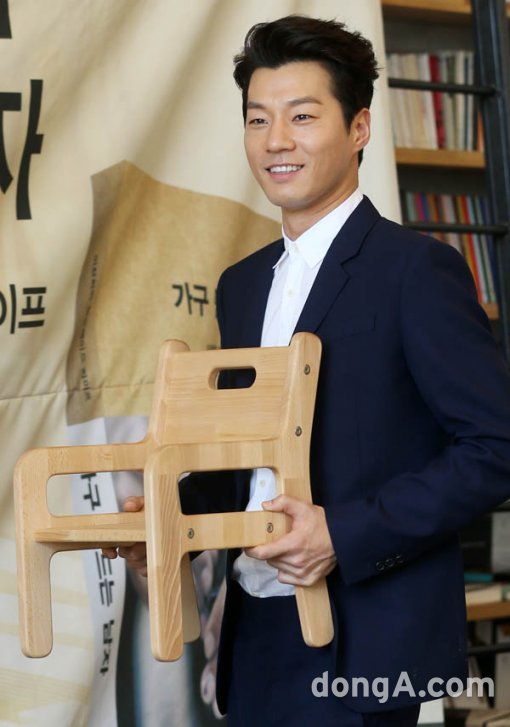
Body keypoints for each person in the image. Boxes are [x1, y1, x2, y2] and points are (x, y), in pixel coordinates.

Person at [105, 15, 510, 726]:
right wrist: (172, 518)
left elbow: (496, 448)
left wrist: (341, 534)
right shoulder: (241, 285)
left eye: (301, 116)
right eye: (258, 119)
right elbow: (245, 462)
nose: (275, 141)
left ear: (359, 128)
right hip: (254, 634)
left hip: (366, 639)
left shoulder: (416, 271)